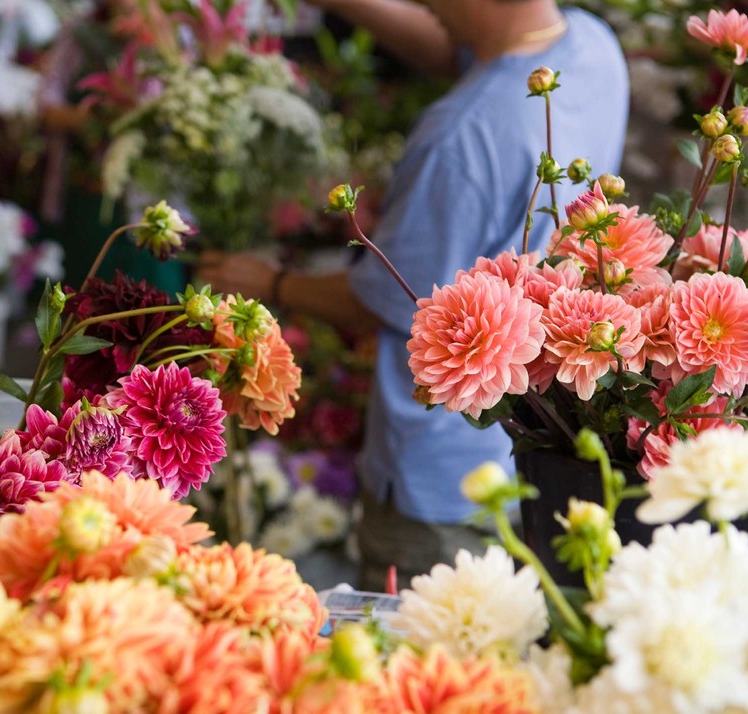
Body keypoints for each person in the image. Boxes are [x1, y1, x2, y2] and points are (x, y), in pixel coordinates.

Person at [197, 0, 629, 590]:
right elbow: (468, 48)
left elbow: (384, 300)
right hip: (537, 436)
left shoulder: (459, 136)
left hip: (439, 477)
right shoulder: (590, 47)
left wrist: (268, 283)